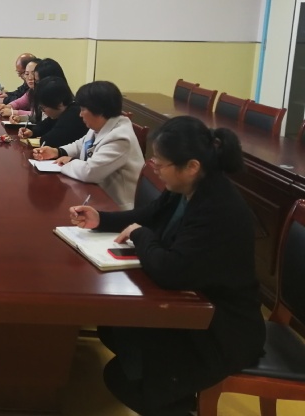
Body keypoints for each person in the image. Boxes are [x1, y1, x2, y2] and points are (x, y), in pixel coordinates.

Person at [68, 116, 265, 416]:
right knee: (114, 328)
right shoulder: (187, 188)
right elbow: (148, 214)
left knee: (123, 378)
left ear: (192, 166)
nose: (155, 168)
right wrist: (102, 219)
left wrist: (141, 236)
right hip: (193, 305)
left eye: (160, 163)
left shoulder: (218, 208)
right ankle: (169, 394)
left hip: (220, 327)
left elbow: (170, 271)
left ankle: (174, 402)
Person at [34, 81, 143, 210]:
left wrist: (69, 162)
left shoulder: (120, 137)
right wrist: (57, 151)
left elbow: (90, 172)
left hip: (117, 206)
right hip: (95, 194)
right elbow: (80, 144)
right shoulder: (101, 125)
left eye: (83, 109)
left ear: (99, 110)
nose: (80, 114)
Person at [17, 76, 88, 147]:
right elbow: (47, 123)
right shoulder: (62, 111)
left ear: (59, 103)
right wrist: (32, 132)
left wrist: (42, 138)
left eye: (43, 108)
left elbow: (50, 141)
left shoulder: (73, 115)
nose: (43, 111)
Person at [2, 57, 66, 119]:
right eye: (27, 74)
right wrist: (7, 107)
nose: (30, 78)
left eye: (33, 74)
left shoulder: (52, 94)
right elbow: (19, 103)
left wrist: (13, 112)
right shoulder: (32, 91)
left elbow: (39, 115)